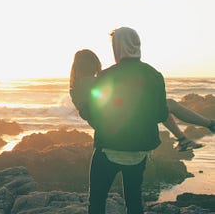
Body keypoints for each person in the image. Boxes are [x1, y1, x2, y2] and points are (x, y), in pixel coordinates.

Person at [69, 27, 214, 214]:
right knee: (134, 202)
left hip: (109, 149)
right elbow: (161, 115)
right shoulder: (154, 75)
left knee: (97, 202)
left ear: (118, 47)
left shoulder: (106, 76)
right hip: (140, 151)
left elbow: (95, 116)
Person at [70, 50, 215, 152]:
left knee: (164, 105)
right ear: (94, 64)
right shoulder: (99, 81)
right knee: (167, 104)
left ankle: (184, 138)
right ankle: (206, 126)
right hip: (122, 125)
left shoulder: (75, 88)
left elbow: (93, 114)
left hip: (111, 129)